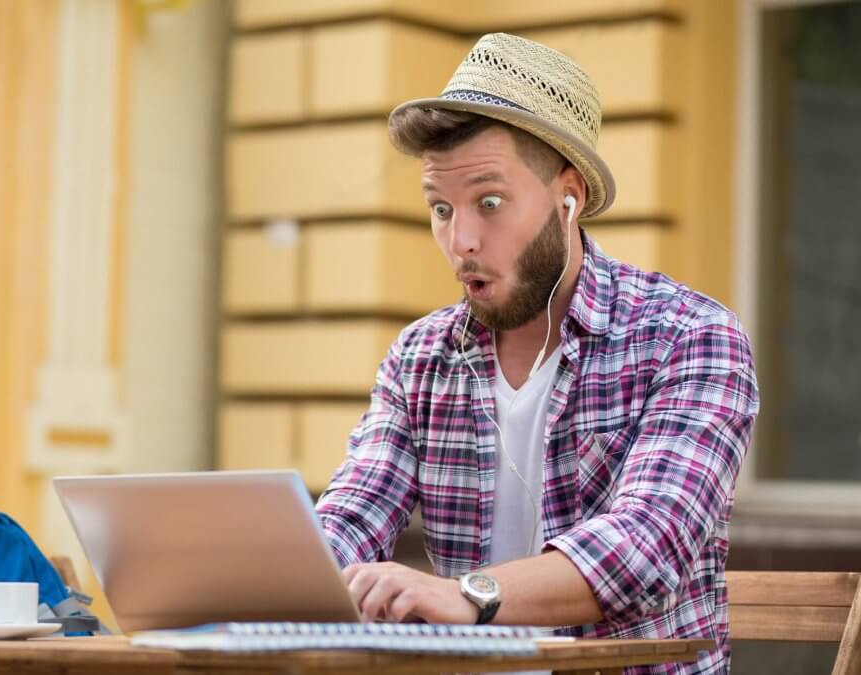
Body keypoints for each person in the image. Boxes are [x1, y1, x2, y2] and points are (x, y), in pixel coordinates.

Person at [315, 31, 759, 674]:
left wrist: (469, 595)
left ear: (567, 196)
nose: (460, 239)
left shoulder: (689, 336)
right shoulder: (420, 358)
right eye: (440, 208)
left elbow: (646, 547)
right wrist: (268, 580)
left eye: (489, 203)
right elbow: (353, 515)